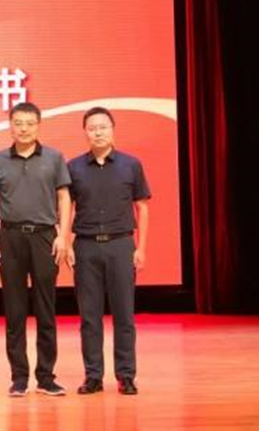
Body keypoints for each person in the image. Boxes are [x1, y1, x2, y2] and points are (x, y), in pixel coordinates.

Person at [0, 101, 71, 397]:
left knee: (46, 308)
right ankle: (19, 377)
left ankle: (46, 377)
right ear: (10, 126)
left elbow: (64, 197)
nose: (24, 129)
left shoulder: (54, 158)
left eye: (29, 123)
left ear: (38, 125)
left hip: (45, 237)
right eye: (18, 123)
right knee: (15, 310)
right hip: (10, 237)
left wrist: (64, 235)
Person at [67, 107, 150, 396]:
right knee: (89, 317)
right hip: (86, 245)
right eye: (92, 128)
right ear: (85, 133)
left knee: (124, 314)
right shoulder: (73, 167)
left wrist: (141, 247)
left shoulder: (131, 165)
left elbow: (142, 207)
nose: (98, 132)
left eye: (103, 127)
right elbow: (66, 208)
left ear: (112, 129)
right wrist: (66, 242)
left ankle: (126, 375)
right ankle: (93, 376)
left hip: (121, 244)